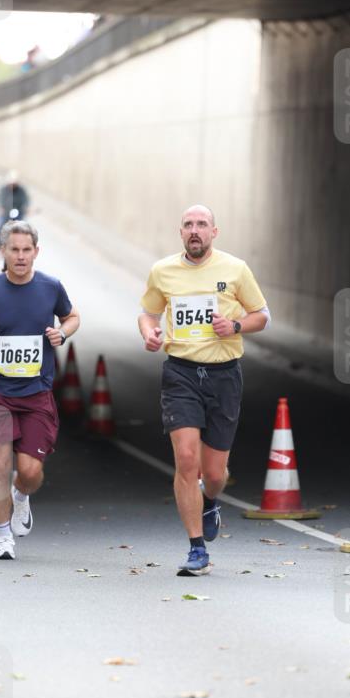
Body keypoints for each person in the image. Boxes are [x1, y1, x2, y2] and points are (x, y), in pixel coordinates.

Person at [138, 204, 270, 576]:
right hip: (180, 373)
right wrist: (149, 332)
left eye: (202, 225)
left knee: (214, 473)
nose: (194, 230)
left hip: (224, 375)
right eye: (188, 225)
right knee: (186, 460)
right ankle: (197, 549)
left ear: (215, 231)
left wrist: (237, 326)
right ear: (180, 232)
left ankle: (211, 499)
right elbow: (148, 312)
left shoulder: (235, 269)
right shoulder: (163, 271)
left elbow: (263, 314)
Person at [0, 220, 80, 561]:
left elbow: (72, 316)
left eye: (27, 250)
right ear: (4, 252)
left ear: (36, 252)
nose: (21, 256)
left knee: (29, 472)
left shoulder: (51, 287)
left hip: (36, 392)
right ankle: (2, 538)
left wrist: (63, 333)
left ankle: (21, 496)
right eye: (14, 249)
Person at [0, 171, 30, 240]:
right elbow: (0, 199)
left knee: (21, 227)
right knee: (1, 226)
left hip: (18, 211)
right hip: (6, 212)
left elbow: (25, 200)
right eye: (11, 183)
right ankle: (0, 244)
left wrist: (26, 207)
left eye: (14, 184)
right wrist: (0, 207)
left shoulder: (21, 190)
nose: (13, 185)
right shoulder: (4, 189)